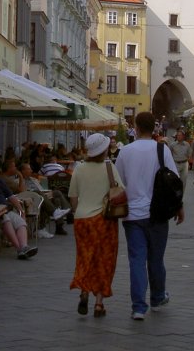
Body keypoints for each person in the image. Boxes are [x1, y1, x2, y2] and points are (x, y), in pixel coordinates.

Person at [115, 111, 183, 321]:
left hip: (133, 215)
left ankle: (138, 307)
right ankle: (157, 297)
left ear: (135, 127)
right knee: (156, 258)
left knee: (136, 260)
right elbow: (174, 181)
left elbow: (118, 182)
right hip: (158, 213)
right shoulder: (162, 149)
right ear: (154, 127)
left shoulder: (125, 152)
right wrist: (179, 207)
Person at [69, 133, 122, 318]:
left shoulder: (79, 169)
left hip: (82, 220)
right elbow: (119, 192)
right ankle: (99, 304)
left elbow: (73, 197)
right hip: (103, 220)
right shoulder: (110, 168)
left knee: (84, 258)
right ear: (104, 149)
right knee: (104, 261)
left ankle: (83, 291)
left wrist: (78, 212)